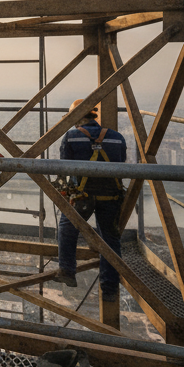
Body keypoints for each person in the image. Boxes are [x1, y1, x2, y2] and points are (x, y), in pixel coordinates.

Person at [55, 99, 128, 302]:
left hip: (82, 196)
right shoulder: (117, 137)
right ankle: (110, 288)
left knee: (68, 227)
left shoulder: (71, 137)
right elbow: (121, 163)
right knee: (110, 240)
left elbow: (65, 167)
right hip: (111, 197)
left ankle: (67, 270)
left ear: (77, 117)